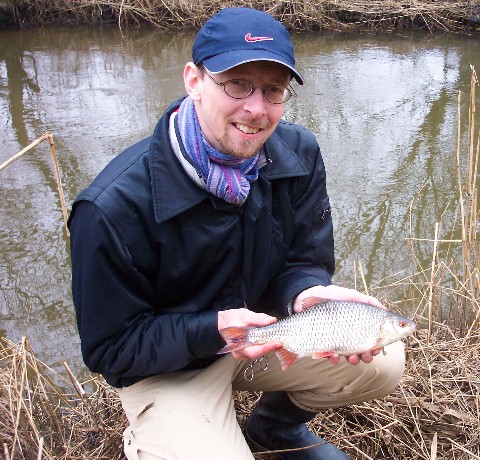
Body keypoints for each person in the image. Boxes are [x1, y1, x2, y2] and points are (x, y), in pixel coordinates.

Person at [68, 7, 406, 460]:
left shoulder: (298, 153)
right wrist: (210, 329)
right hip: (171, 367)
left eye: (273, 90)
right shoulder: (110, 209)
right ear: (193, 80)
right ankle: (159, 435)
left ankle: (274, 427)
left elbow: (304, 261)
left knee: (383, 361)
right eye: (237, 84)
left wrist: (303, 296)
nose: (256, 109)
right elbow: (111, 350)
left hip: (263, 335)